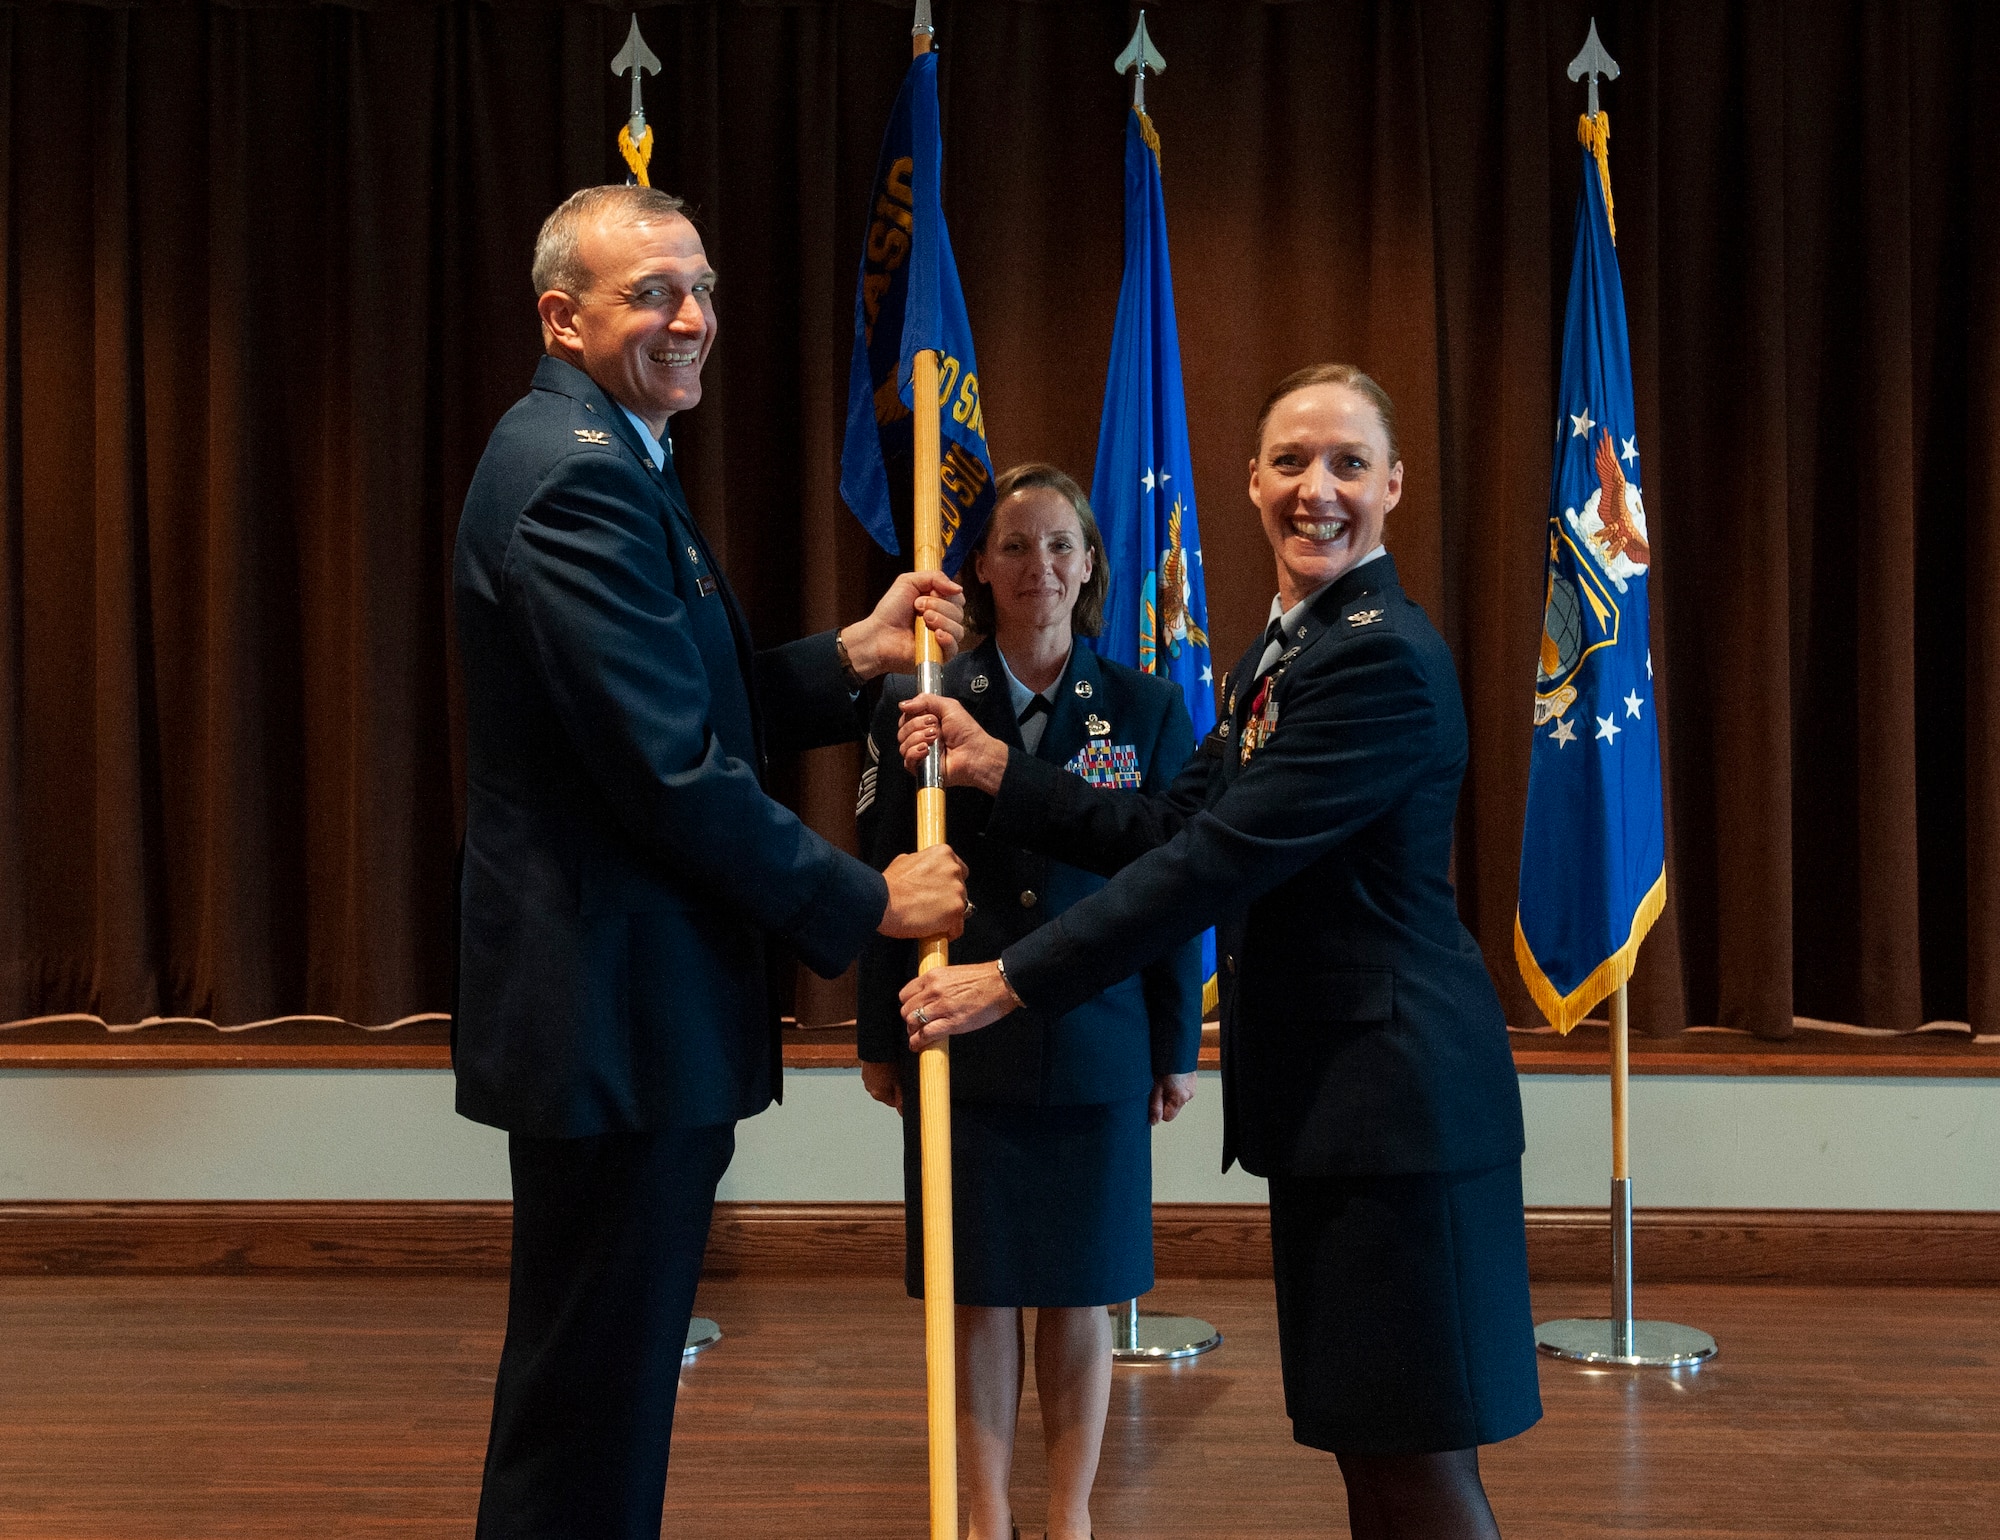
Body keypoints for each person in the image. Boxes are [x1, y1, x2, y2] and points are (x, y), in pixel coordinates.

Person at [895, 365, 1541, 1540]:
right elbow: (1156, 824)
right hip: (1339, 1113)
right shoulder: (1280, 653)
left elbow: (1212, 864)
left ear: (1393, 484)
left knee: (1414, 1463)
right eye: (1290, 461)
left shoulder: (1376, 657)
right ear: (1247, 481)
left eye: (1347, 462)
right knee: (1371, 1449)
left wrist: (1010, 977)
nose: (1316, 490)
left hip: (1398, 1118)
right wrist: (999, 770)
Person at [452, 183, 969, 1540]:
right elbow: (663, 770)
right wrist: (867, 901)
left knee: (600, 1397)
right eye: (653, 294)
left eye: (700, 287)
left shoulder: (602, 449)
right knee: (592, 1410)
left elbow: (685, 697)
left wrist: (848, 657)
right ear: (563, 318)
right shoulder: (573, 475)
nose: (693, 320)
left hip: (627, 1015)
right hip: (612, 1018)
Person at [855, 464, 1203, 1540]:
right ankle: (987, 1516)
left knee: (1082, 1292)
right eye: (1012, 545)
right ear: (978, 567)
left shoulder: (1145, 707)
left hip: (1095, 1038)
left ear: (1090, 563)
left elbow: (1172, 886)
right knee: (981, 1290)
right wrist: (881, 1036)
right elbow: (882, 879)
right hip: (960, 1043)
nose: (1037, 566)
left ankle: (1067, 1517)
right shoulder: (922, 697)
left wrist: (1173, 1041)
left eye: (1059, 545)